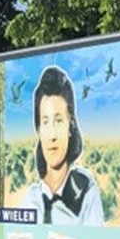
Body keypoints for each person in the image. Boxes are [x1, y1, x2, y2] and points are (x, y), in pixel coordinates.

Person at [22, 66, 104, 225]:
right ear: (38, 130)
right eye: (45, 122)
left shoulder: (85, 189)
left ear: (70, 126)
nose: (52, 135)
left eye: (59, 121)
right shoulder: (31, 198)